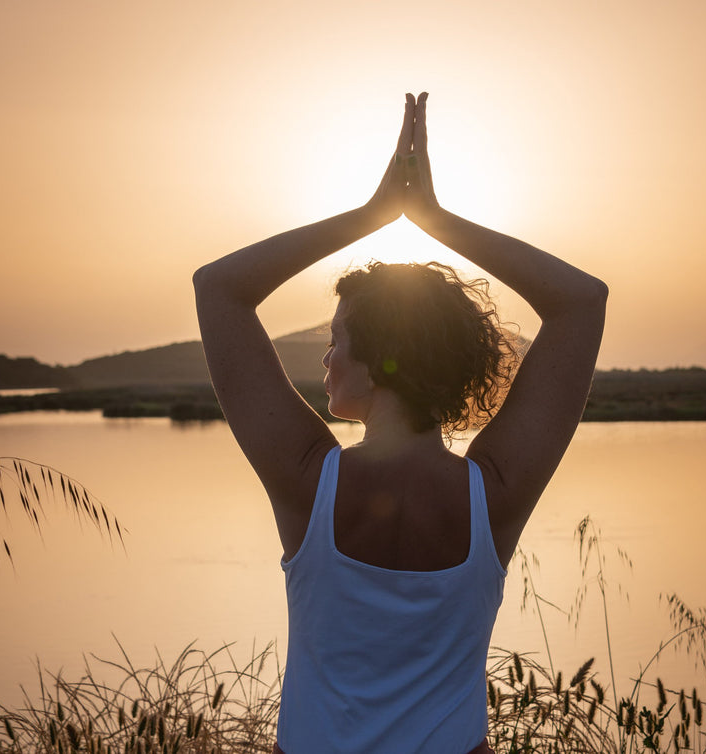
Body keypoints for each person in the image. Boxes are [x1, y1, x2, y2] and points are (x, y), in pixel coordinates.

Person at [193, 93, 607, 754]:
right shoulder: (492, 494)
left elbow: (218, 287)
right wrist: (434, 219)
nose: (326, 357)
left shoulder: (308, 484)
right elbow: (582, 302)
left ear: (380, 363)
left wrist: (373, 213)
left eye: (337, 339)